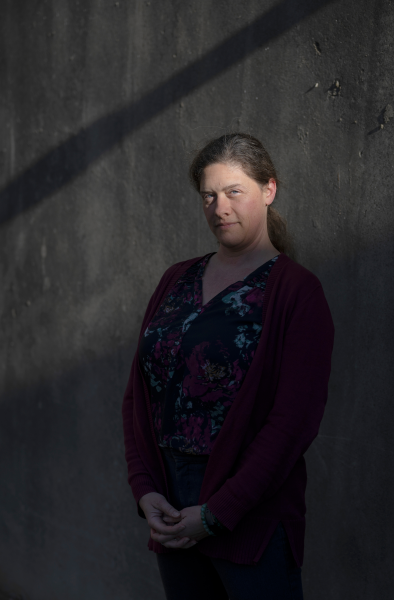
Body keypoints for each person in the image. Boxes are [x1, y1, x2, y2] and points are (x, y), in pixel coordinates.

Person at [120, 133, 334, 599]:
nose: (219, 207)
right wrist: (145, 490)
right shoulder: (175, 280)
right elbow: (140, 394)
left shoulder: (296, 293)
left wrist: (217, 513)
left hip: (250, 508)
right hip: (172, 507)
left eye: (234, 191)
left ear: (269, 190)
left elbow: (292, 423)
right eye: (209, 195)